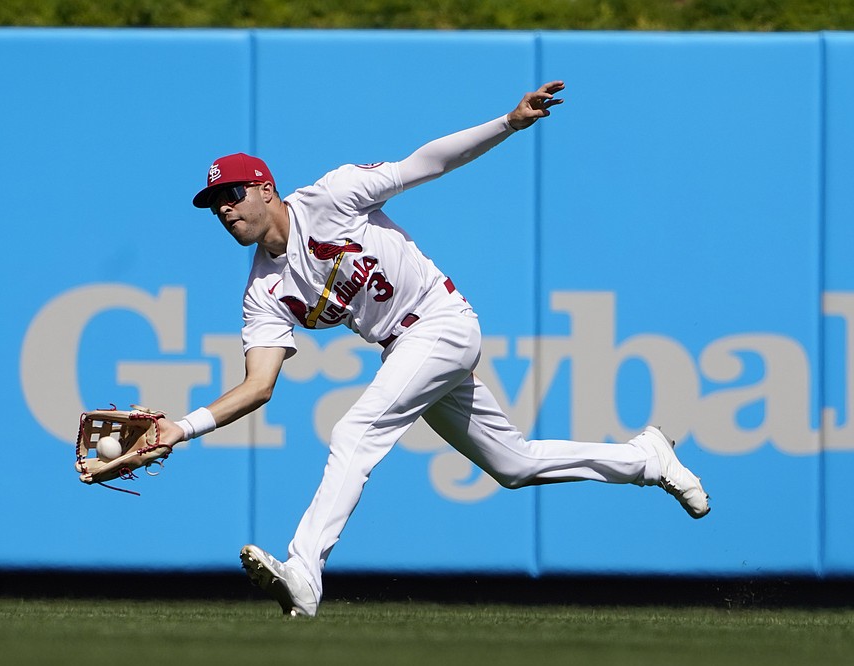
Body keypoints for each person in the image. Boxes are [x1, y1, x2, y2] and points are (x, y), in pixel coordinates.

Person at [157, 81, 710, 617]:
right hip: (404, 349)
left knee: (355, 432)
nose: (224, 210)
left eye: (231, 195)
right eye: (213, 205)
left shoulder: (330, 196)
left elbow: (427, 163)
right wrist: (181, 429)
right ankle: (645, 458)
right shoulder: (263, 292)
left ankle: (304, 572)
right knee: (512, 465)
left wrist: (508, 123)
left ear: (264, 188)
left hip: (442, 323)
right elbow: (259, 385)